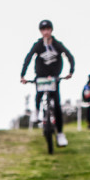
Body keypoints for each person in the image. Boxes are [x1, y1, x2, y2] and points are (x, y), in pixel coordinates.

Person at [20, 19, 75, 147]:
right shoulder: (38, 45)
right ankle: (37, 111)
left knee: (56, 105)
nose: (45, 32)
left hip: (54, 78)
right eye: (43, 30)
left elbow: (69, 56)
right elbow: (28, 58)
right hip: (40, 77)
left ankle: (60, 133)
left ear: (51, 30)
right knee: (38, 94)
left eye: (47, 29)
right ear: (41, 31)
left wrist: (71, 71)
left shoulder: (57, 44)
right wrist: (23, 75)